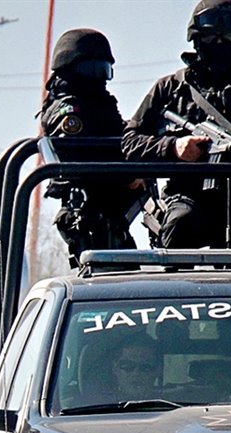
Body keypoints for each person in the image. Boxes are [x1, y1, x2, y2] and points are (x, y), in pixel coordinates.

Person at [121, 0, 231, 249]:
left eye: (227, 36)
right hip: (186, 197)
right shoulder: (171, 89)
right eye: (210, 37)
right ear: (197, 39)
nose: (219, 44)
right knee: (179, 229)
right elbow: (130, 143)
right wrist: (174, 148)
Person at [39, 28, 141, 267]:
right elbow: (81, 157)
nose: (99, 78)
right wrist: (127, 173)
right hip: (89, 214)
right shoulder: (68, 111)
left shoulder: (101, 108)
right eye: (92, 69)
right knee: (111, 278)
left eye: (104, 70)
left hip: (110, 212)